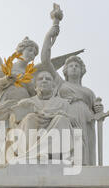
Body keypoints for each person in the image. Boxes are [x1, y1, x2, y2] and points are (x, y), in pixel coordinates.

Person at [41, 26, 104, 165]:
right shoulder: (60, 83)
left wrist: (99, 108)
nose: (74, 67)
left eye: (77, 66)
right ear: (65, 71)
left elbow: (96, 109)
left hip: (86, 120)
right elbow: (45, 61)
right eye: (71, 66)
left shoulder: (89, 92)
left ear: (82, 71)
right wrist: (49, 34)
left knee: (83, 150)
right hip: (67, 115)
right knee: (68, 147)